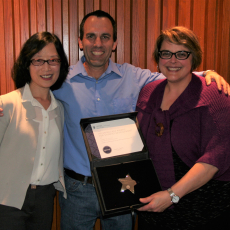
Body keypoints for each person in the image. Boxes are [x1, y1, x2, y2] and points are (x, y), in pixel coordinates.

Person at [0, 10, 228, 230]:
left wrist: (207, 74)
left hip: (123, 184)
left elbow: (174, 72)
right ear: (80, 41)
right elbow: (33, 91)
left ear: (115, 43)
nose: (98, 43)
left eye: (105, 37)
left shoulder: (135, 77)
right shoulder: (60, 80)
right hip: (77, 188)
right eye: (91, 36)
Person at [136, 26, 230, 230]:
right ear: (158, 57)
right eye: (166, 53)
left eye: (181, 54)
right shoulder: (148, 92)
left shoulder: (215, 95)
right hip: (154, 208)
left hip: (202, 211)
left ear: (194, 57)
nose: (173, 60)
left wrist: (171, 195)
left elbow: (216, 157)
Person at [0, 32, 69, 230]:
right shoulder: (7, 104)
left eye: (53, 60)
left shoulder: (60, 108)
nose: (46, 68)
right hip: (7, 199)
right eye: (38, 60)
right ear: (27, 64)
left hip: (45, 199)